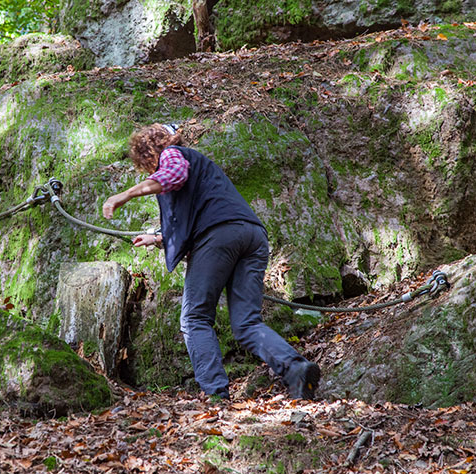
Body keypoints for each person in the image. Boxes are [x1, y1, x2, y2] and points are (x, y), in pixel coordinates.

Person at [102, 123, 320, 401]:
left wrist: (125, 195)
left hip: (219, 237)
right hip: (250, 236)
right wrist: (158, 238)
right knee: (246, 324)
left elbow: (173, 176)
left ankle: (215, 394)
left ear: (148, 152)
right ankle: (297, 369)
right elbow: (198, 213)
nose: (149, 173)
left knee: (194, 318)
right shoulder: (201, 168)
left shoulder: (173, 155)